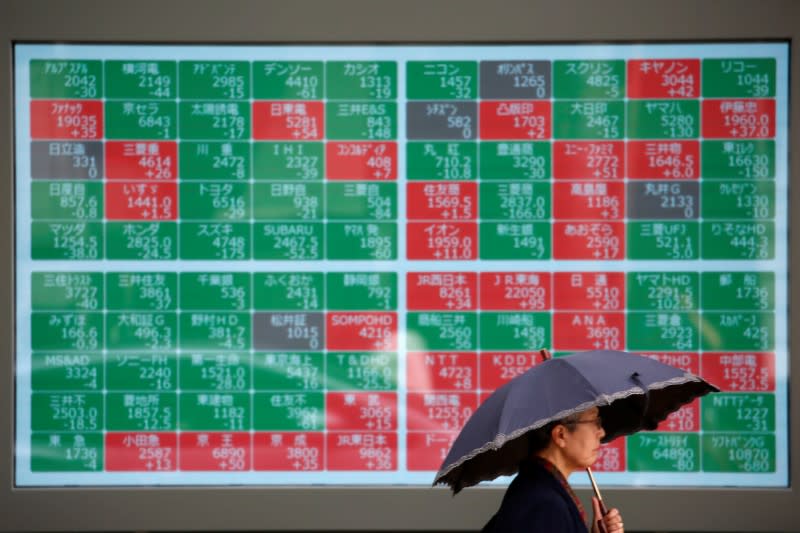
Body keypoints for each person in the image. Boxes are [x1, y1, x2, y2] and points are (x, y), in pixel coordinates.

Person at [481, 406, 624, 532]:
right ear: (561, 435)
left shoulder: (538, 488)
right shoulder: (544, 506)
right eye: (594, 422)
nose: (602, 432)